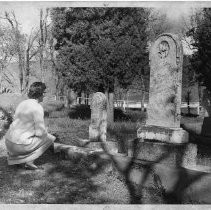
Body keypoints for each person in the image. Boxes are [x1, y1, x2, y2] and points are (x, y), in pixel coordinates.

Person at [4, 82, 56, 170]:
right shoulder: (37, 107)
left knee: (26, 137)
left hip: (8, 142)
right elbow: (40, 133)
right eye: (44, 93)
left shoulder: (23, 103)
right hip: (18, 146)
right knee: (50, 138)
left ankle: (16, 159)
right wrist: (45, 130)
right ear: (41, 94)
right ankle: (29, 162)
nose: (44, 96)